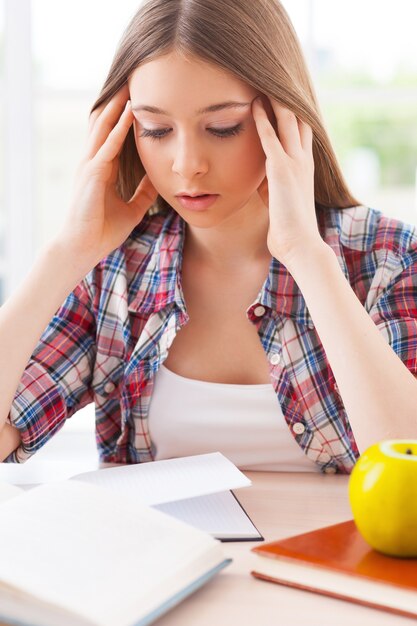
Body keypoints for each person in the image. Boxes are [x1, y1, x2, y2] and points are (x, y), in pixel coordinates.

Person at [1, 0, 416, 474]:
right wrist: (65, 254)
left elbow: (409, 464)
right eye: (156, 130)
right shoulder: (115, 270)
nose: (186, 163)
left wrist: (306, 255)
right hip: (169, 550)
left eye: (222, 127)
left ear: (286, 121)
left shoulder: (388, 257)